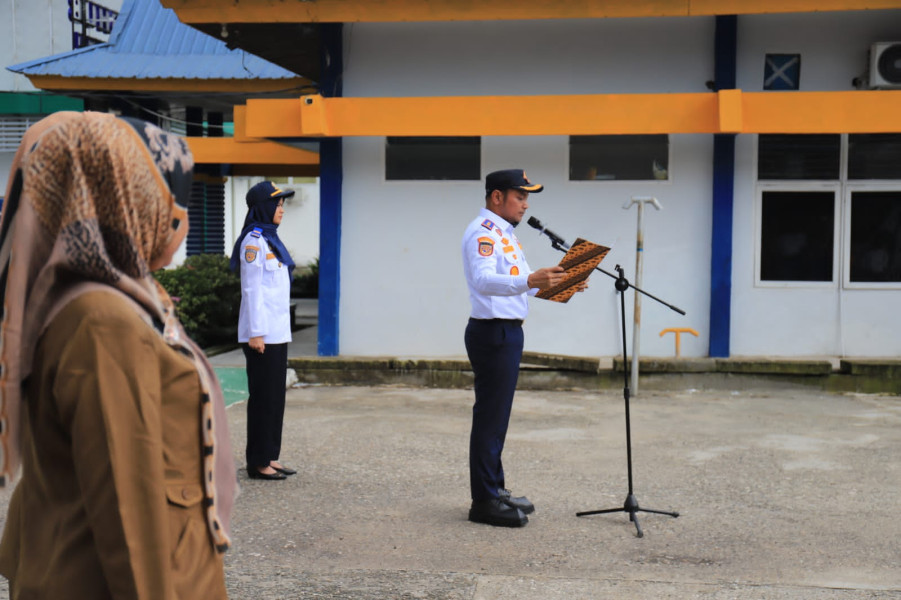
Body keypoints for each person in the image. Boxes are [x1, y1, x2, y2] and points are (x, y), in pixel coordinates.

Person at [0, 111, 236, 598]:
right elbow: (130, 510)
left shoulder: (86, 299)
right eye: (173, 198)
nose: (181, 219)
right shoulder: (103, 319)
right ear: (130, 198)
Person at [461, 169, 573, 528]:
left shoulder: (506, 235)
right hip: (493, 334)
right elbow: (483, 280)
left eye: (527, 198)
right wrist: (530, 279)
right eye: (519, 196)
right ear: (497, 197)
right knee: (490, 418)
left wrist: (561, 284)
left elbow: (525, 286)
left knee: (498, 419)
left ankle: (496, 488)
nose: (525, 204)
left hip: (507, 333)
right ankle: (484, 501)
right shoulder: (483, 233)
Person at [229, 181, 296, 481]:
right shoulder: (254, 242)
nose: (281, 209)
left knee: (275, 399)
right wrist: (256, 333)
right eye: (277, 204)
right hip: (261, 336)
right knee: (262, 399)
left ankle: (270, 455)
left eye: (282, 204)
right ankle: (257, 462)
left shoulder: (271, 241)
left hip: (277, 333)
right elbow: (252, 290)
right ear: (264, 207)